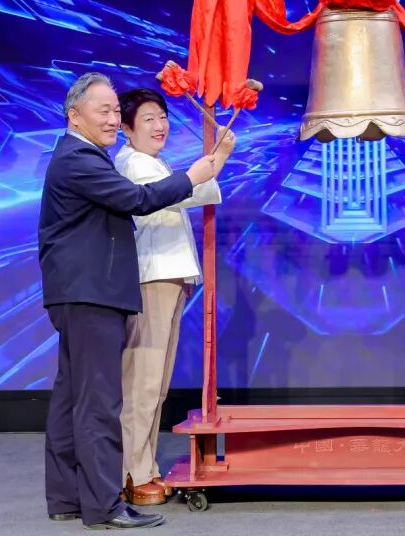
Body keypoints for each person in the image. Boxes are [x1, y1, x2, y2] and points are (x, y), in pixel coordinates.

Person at [38, 72, 217, 529]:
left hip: (81, 292)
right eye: (104, 111)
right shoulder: (80, 159)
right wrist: (191, 177)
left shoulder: (81, 155)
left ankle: (67, 497)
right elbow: (137, 199)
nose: (112, 119)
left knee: (71, 399)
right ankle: (104, 505)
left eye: (116, 111)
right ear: (74, 116)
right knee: (99, 402)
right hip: (90, 293)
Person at [114, 88, 236, 505]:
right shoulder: (132, 163)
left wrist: (220, 155)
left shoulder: (154, 163)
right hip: (152, 279)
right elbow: (180, 190)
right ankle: (132, 471)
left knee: (156, 382)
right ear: (126, 128)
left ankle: (144, 467)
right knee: (143, 380)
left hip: (168, 279)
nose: (159, 125)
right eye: (148, 118)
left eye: (162, 116)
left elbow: (194, 190)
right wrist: (212, 161)